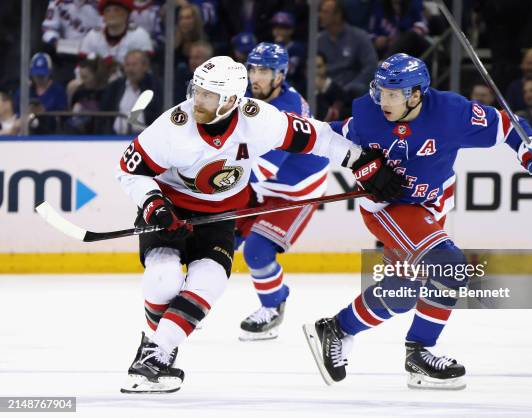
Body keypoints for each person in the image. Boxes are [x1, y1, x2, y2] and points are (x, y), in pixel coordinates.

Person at [115, 55, 403, 393]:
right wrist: (155, 205)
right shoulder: (173, 126)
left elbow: (319, 137)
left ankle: (156, 354)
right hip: (171, 209)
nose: (198, 101)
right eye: (198, 91)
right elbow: (129, 168)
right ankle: (156, 343)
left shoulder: (260, 120)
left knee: (209, 280)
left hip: (220, 216)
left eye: (209, 95)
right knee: (162, 276)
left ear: (232, 101)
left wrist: (362, 162)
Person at [303, 54, 532, 389]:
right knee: (450, 266)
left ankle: (336, 328)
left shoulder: (452, 113)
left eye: (393, 94)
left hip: (432, 205)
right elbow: (331, 137)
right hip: (388, 208)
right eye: (381, 91)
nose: (384, 100)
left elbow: (507, 126)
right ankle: (420, 353)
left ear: (416, 94)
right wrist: (359, 163)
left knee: (403, 291)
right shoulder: (368, 114)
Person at [234, 43, 330, 341]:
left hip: (296, 190)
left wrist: (202, 185)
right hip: (260, 182)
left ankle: (273, 306)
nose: (255, 77)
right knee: (217, 239)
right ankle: (193, 302)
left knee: (257, 251)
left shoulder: (288, 113)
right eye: (252, 69)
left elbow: (258, 170)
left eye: (263, 70)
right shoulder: (247, 96)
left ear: (280, 75)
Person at [318, 0, 378, 99]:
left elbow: (371, 66)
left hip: (351, 90)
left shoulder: (359, 36)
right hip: (326, 89)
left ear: (338, 16)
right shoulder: (319, 40)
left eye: (325, 12)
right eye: (321, 11)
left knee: (359, 89)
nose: (320, 15)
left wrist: (353, 85)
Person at [99, 50, 162, 134]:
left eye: (134, 65)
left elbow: (156, 111)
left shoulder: (154, 85)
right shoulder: (115, 87)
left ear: (145, 67)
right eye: (127, 65)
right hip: (115, 139)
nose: (130, 69)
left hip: (146, 138)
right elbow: (104, 114)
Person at [79, 0, 153, 69]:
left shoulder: (139, 35)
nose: (111, 14)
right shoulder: (93, 35)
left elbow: (143, 71)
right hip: (98, 81)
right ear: (103, 16)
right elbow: (82, 66)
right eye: (107, 11)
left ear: (126, 14)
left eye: (117, 10)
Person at [14, 53, 67, 134]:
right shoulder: (24, 91)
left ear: (50, 72)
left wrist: (45, 112)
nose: (39, 78)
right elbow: (16, 112)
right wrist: (27, 112)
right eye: (37, 75)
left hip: (51, 133)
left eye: (42, 75)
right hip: (26, 131)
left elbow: (62, 115)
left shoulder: (58, 91)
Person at [270, 11, 306, 93]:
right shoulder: (269, 47)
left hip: (293, 87)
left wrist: (280, 46)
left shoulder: (297, 48)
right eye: (275, 27)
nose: (277, 30)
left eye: (282, 27)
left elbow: (290, 70)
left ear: (291, 30)